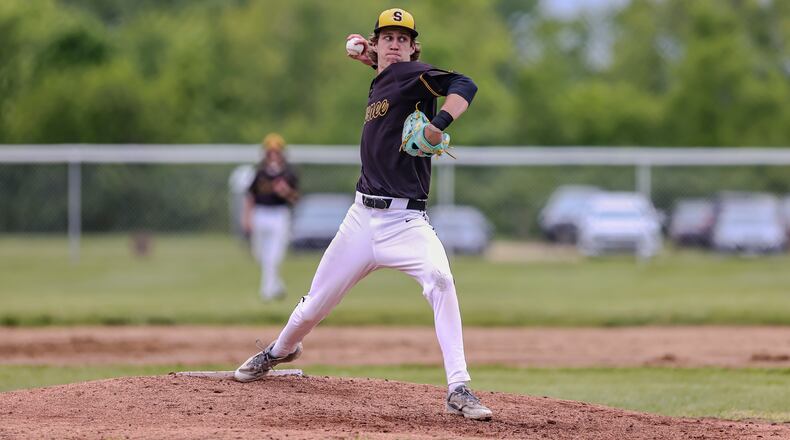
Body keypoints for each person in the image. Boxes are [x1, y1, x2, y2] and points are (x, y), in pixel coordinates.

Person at [234, 8, 492, 420]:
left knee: (440, 280)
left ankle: (458, 387)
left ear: (414, 48)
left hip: (405, 222)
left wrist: (438, 123)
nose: (394, 43)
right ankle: (278, 351)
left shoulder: (415, 74)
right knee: (313, 306)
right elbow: (390, 74)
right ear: (377, 44)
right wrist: (368, 58)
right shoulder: (384, 77)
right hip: (359, 220)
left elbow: (465, 84)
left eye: (402, 39)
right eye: (386, 37)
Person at [242, 133, 299, 301]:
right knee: (261, 255)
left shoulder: (289, 174)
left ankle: (266, 292)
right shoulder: (259, 173)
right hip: (260, 213)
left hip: (279, 215)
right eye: (270, 152)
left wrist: (286, 191)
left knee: (274, 255)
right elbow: (250, 196)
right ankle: (277, 286)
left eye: (276, 152)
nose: (273, 155)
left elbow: (295, 199)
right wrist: (246, 218)